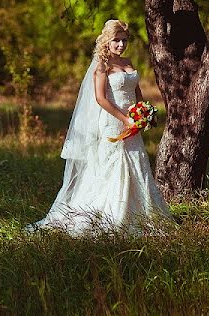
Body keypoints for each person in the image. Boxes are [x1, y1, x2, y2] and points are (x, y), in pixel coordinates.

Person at [27, 19, 172, 236]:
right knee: (115, 165)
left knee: (137, 161)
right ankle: (112, 215)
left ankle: (140, 213)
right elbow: (100, 98)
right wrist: (125, 119)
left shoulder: (128, 62)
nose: (121, 45)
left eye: (124, 40)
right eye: (116, 40)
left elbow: (136, 91)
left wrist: (143, 112)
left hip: (133, 120)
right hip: (114, 122)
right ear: (107, 40)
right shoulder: (102, 65)